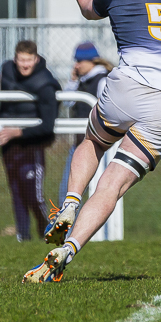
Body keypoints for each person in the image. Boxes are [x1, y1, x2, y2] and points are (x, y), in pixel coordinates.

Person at [23, 0, 161, 283]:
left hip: (127, 89)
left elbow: (87, 7)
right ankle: (69, 249)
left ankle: (68, 204)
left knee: (94, 143)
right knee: (113, 184)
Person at [0, 40, 61, 242]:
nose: (24, 65)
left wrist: (18, 132)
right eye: (21, 60)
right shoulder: (7, 70)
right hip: (9, 144)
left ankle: (49, 231)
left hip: (32, 144)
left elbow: (48, 126)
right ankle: (23, 237)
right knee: (17, 191)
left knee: (34, 194)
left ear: (36, 59)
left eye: (28, 61)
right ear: (15, 59)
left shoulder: (45, 83)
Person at [58, 42, 113, 204]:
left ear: (92, 61)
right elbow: (67, 102)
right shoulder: (81, 81)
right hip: (79, 144)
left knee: (100, 194)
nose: (76, 65)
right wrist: (73, 81)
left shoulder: (103, 80)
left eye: (79, 61)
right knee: (67, 194)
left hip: (99, 147)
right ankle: (68, 230)